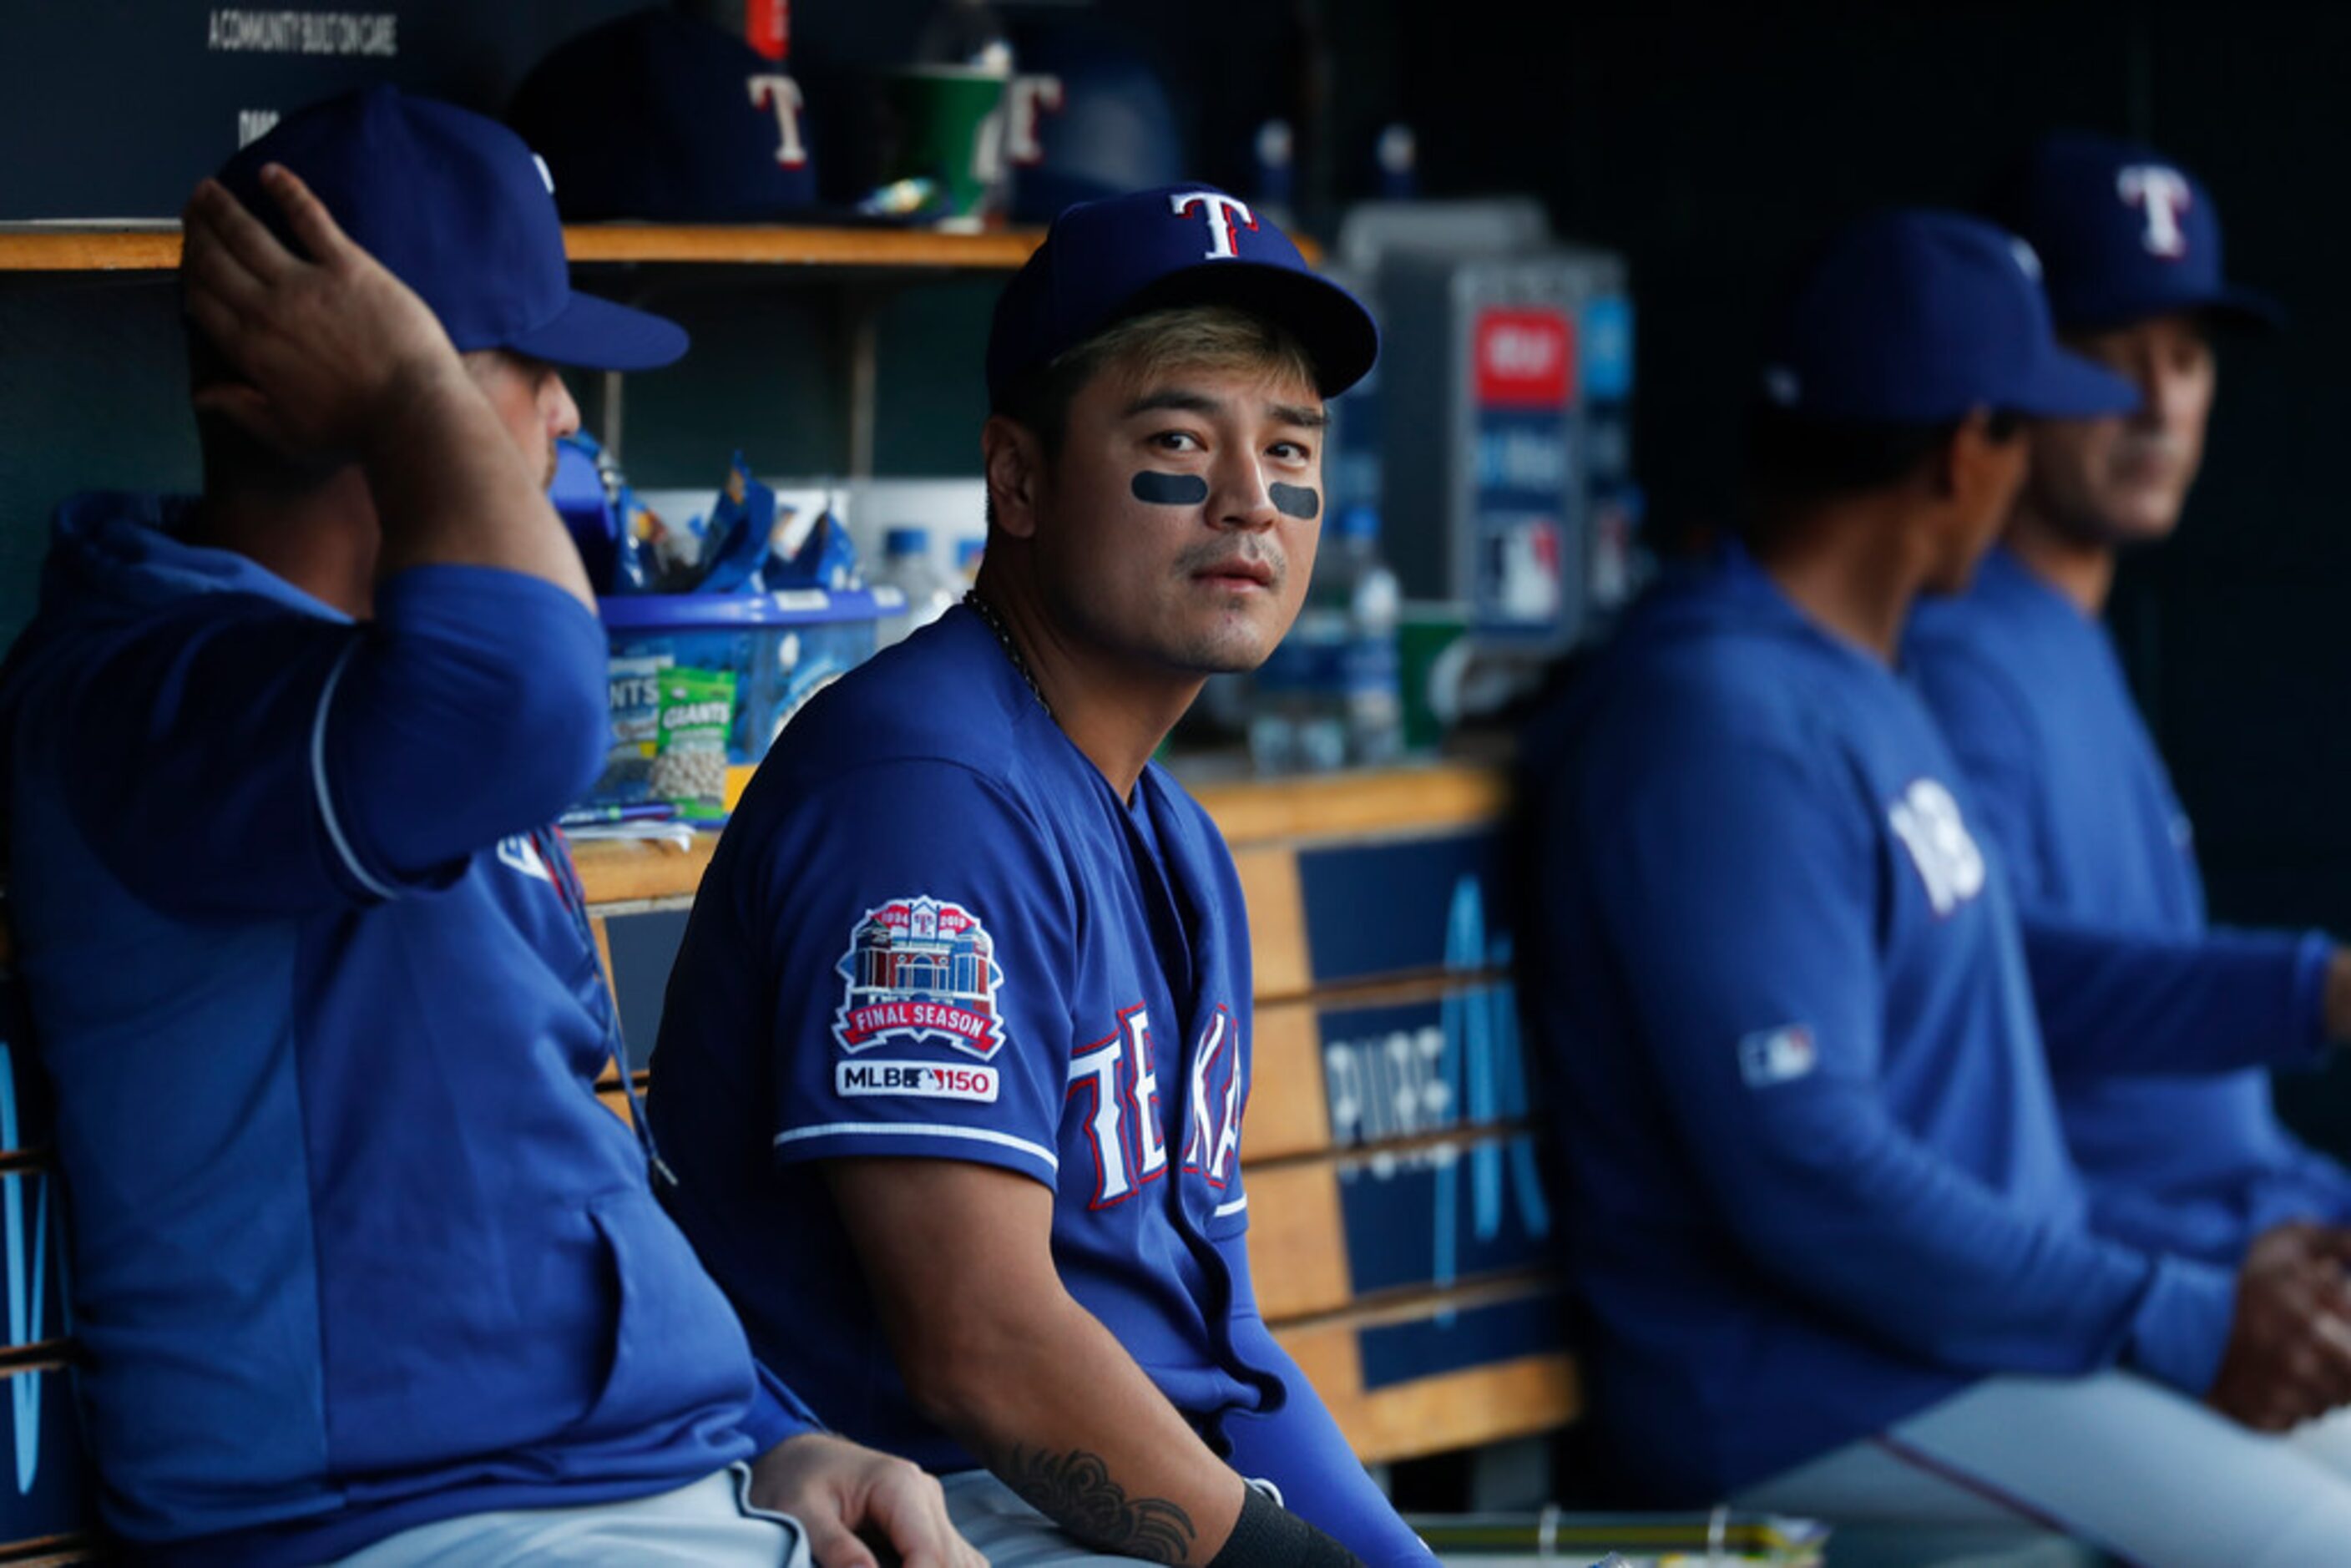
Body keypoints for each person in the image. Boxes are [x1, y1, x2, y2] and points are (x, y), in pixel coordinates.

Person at [0, 87, 976, 1568]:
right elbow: (525, 704)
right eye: (524, 367)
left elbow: (561, 1168)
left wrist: (774, 1433)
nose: (567, 415)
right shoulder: (154, 698)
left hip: (629, 1500)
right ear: (346, 379)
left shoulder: (376, 678)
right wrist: (412, 396)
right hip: (403, 1531)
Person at [1520, 209, 2351, 1565]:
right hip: (1807, 1386)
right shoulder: (1718, 718)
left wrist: (2306, 990)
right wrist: (2169, 1307)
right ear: (1969, 452)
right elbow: (1808, 1168)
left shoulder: (1851, 669)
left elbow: (2013, 976)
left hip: (1967, 1343)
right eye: (2026, 431)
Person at [647, 185, 1432, 1567]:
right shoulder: (926, 794)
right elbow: (980, 1344)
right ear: (1015, 478)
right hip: (913, 1512)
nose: (1252, 498)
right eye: (1180, 440)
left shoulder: (1166, 833)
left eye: (1290, 445)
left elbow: (1220, 1349)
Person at [1904, 132, 2351, 1269]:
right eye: (2111, 352)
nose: (2158, 403)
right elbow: (1994, 979)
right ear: (2014, 378)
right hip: (2116, 1274)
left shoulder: (2064, 630)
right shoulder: (1955, 656)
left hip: (2236, 1230)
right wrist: (2316, 987)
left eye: (2188, 357)